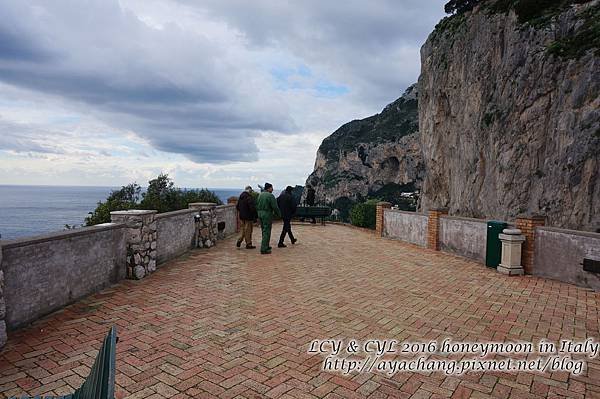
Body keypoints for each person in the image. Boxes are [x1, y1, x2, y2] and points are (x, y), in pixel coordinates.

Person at [256, 182, 281, 254]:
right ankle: (264, 249)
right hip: (267, 214)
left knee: (263, 230)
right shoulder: (270, 196)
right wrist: (279, 215)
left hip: (260, 213)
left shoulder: (260, 195)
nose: (272, 189)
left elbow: (256, 204)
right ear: (269, 188)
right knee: (267, 231)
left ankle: (266, 245)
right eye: (272, 188)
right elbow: (275, 207)